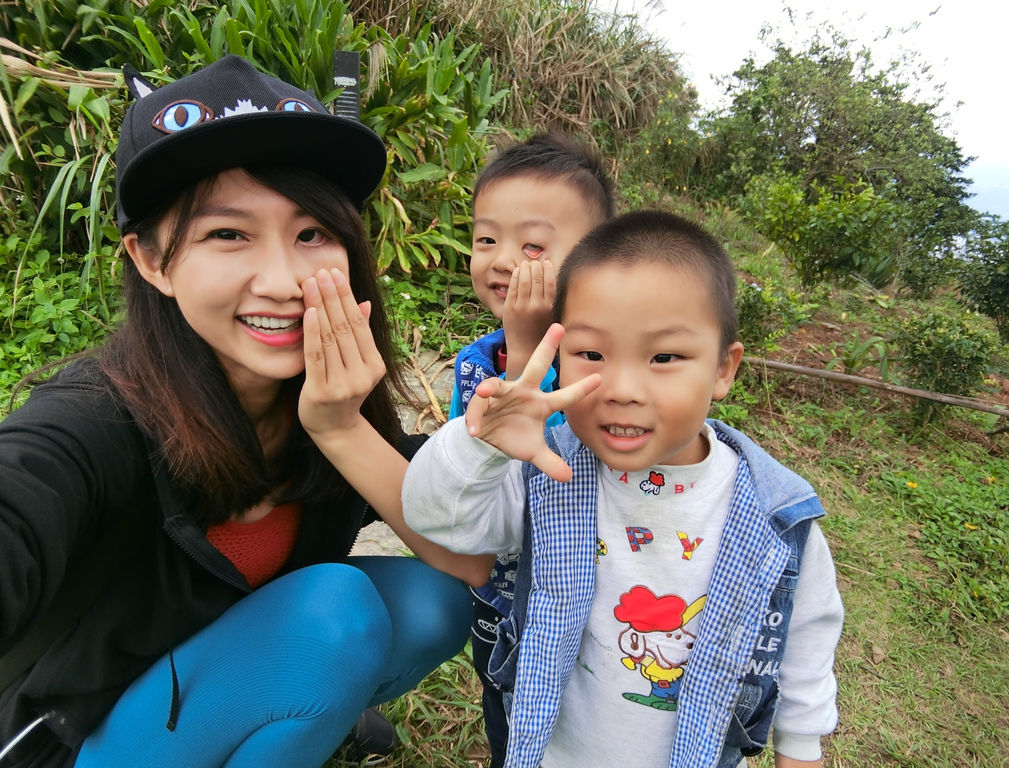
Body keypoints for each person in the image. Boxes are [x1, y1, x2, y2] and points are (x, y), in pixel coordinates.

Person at [0, 54, 491, 768]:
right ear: (151, 261)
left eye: (312, 233)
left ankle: (292, 716)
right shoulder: (94, 420)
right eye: (227, 234)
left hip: (200, 674)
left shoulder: (323, 397)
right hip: (71, 736)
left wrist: (342, 428)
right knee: (334, 614)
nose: (286, 280)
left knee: (432, 601)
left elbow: (468, 560)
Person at [405, 210, 845, 768]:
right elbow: (435, 517)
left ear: (723, 369)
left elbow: (804, 652)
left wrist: (801, 750)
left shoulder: (774, 521)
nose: (623, 390)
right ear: (558, 357)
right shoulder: (548, 475)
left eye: (664, 358)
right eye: (591, 354)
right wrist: (480, 443)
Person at [447, 132, 614, 767]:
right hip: (508, 605)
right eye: (485, 239)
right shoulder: (474, 366)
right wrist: (519, 343)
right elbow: (496, 471)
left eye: (533, 246)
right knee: (513, 724)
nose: (500, 259)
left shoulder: (609, 362)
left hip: (597, 600)